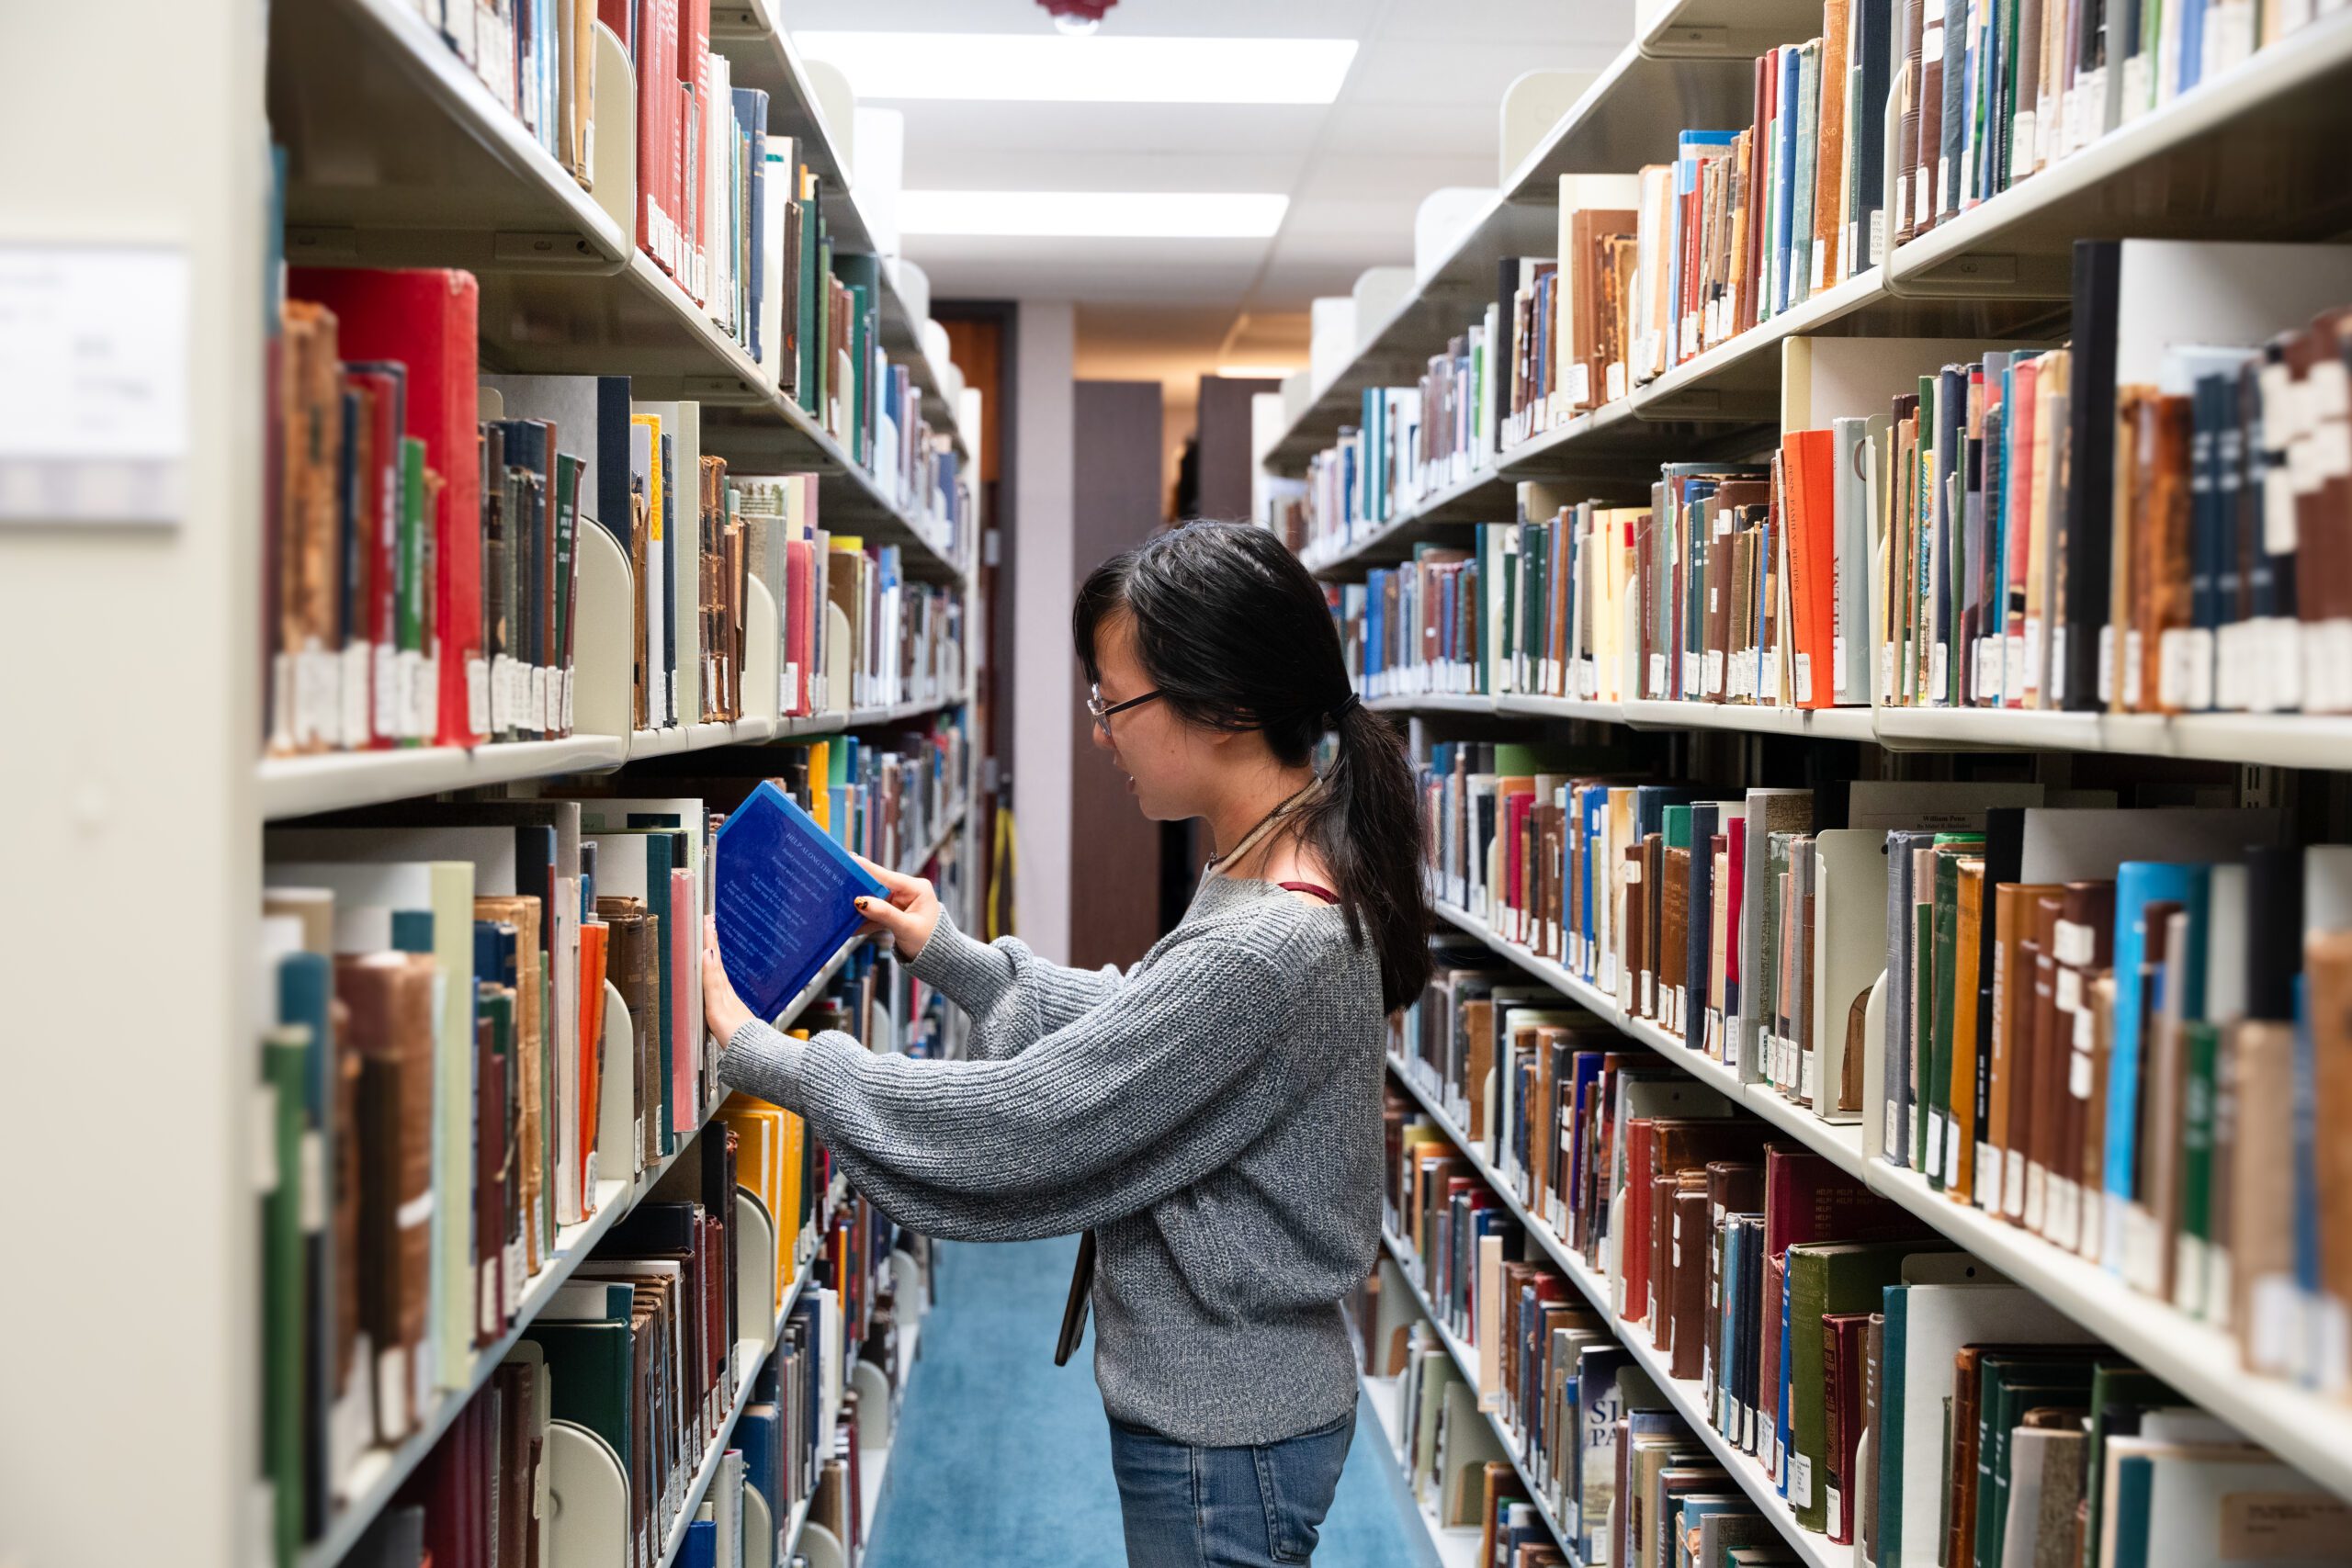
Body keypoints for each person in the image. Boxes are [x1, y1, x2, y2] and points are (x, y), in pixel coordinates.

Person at [701, 519, 1430, 1568]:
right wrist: (949, 954)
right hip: (1245, 1404)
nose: (1101, 733)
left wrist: (765, 1051)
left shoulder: (1268, 942)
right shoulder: (1288, 856)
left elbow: (1034, 1120)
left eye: (1114, 702)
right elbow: (1151, 1038)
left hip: (1224, 1435)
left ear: (1224, 706)